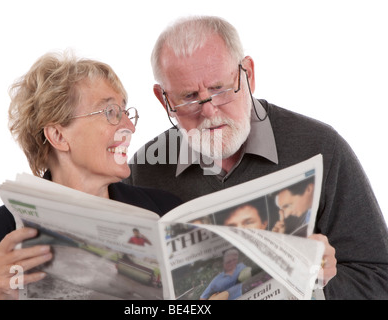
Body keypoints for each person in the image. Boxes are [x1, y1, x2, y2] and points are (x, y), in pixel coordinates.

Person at [124, 15, 388, 299]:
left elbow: (378, 278)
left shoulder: (321, 147)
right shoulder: (144, 168)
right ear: (164, 99)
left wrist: (318, 283)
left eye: (219, 89)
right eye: (189, 97)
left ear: (248, 73)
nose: (209, 112)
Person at [0, 51, 182, 300]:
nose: (129, 127)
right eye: (110, 112)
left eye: (125, 112)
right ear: (58, 136)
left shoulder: (167, 212)